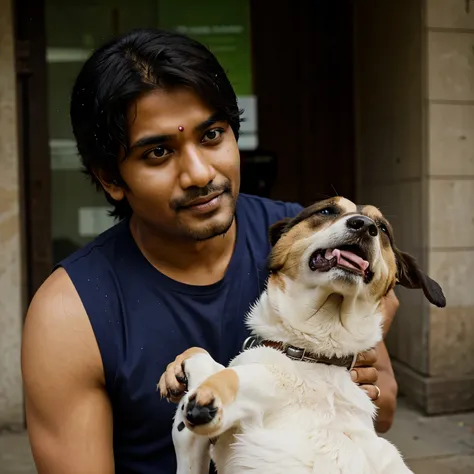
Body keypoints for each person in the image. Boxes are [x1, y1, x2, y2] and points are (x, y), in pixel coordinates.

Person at [21, 28, 400, 474]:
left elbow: (386, 406)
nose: (200, 173)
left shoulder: (304, 242)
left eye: (212, 135)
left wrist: (340, 387)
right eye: (159, 152)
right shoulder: (70, 313)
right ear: (110, 178)